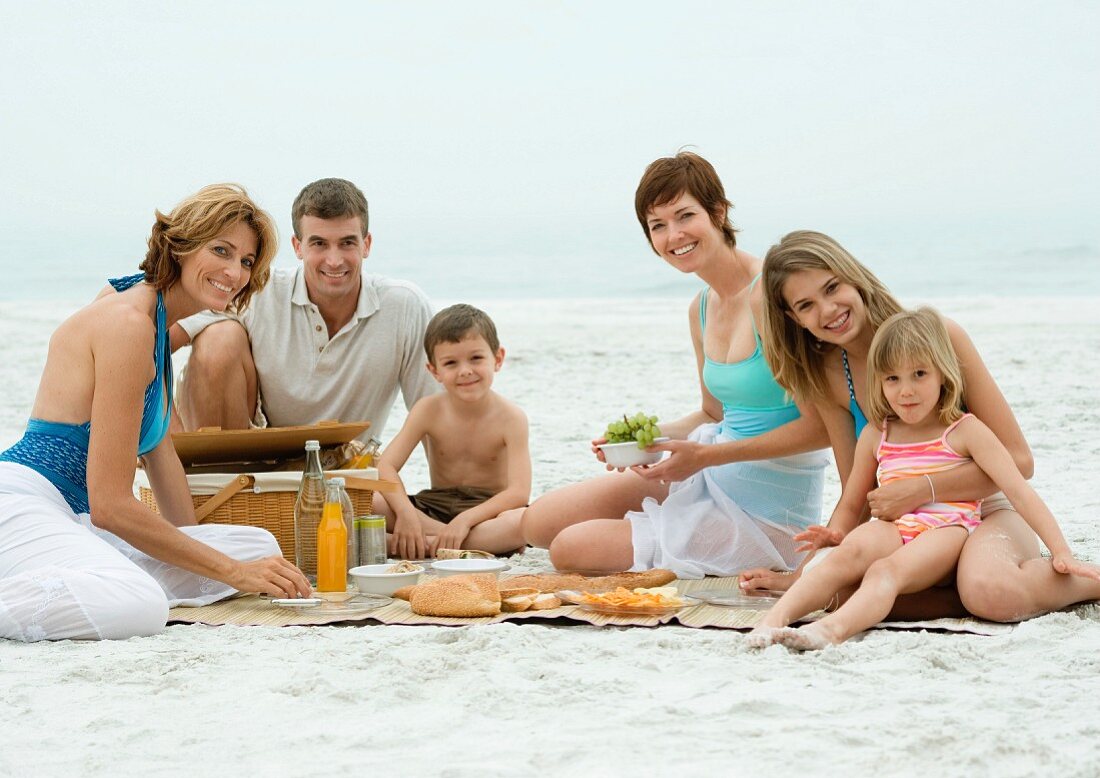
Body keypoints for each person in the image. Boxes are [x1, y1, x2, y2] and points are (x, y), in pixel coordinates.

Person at [0, 184, 311, 643]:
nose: (234, 272)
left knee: (259, 547)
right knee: (139, 606)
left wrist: (212, 559)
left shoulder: (155, 322)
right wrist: (232, 573)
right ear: (181, 245)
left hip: (76, 517)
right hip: (28, 500)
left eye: (246, 261)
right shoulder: (127, 326)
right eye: (221, 250)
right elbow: (109, 505)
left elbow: (161, 456)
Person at [743, 230, 1100, 622]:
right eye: (806, 305)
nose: (827, 310)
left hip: (988, 511)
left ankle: (1077, 581)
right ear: (794, 318)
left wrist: (922, 488)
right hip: (911, 529)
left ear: (854, 277)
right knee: (841, 594)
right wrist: (804, 575)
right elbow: (858, 495)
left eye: (832, 287)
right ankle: (955, 593)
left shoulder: (941, 337)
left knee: (991, 593)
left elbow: (1020, 461)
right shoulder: (829, 375)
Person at [520, 151, 831, 578]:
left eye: (685, 216)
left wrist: (705, 457)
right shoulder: (701, 307)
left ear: (718, 212)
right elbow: (713, 413)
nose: (674, 235)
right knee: (540, 520)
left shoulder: (771, 297)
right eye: (658, 225)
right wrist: (640, 441)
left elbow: (824, 427)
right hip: (711, 475)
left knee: (571, 548)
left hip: (769, 513)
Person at [173, 177, 437, 438]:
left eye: (347, 243)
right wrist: (162, 444)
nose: (334, 261)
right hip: (258, 460)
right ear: (298, 247)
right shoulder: (258, 291)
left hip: (352, 466)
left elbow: (436, 412)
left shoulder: (405, 306)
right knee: (218, 338)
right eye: (319, 243)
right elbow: (152, 346)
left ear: (366, 245)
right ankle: (208, 475)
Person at [374, 304, 530, 560]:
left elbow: (518, 492)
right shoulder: (427, 410)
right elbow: (385, 467)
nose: (465, 370)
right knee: (369, 500)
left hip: (486, 511)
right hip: (435, 505)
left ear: (498, 359)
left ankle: (425, 545)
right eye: (450, 363)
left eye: (476, 358)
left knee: (523, 520)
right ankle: (461, 545)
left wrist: (465, 521)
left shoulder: (511, 418)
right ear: (434, 371)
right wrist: (407, 515)